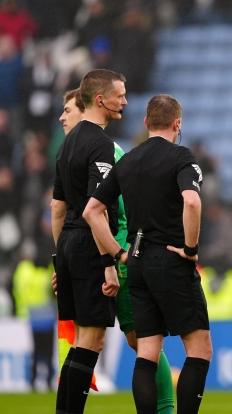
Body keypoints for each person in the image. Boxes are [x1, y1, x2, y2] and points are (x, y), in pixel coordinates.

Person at [83, 94, 211, 414]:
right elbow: (192, 201)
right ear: (177, 123)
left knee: (147, 352)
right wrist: (191, 249)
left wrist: (118, 253)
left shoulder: (127, 161)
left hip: (137, 263)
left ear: (146, 122)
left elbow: (92, 211)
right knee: (199, 349)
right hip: (171, 259)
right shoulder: (181, 157)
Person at [55, 87, 176, 412]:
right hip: (94, 254)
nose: (63, 117)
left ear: (85, 109)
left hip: (118, 252)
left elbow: (120, 210)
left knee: (140, 338)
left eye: (68, 110)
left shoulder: (109, 151)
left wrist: (118, 256)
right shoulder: (74, 153)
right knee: (99, 340)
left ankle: (165, 409)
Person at [51, 69, 127, 413]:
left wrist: (60, 260)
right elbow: (95, 210)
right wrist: (110, 261)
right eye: (119, 95)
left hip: (68, 242)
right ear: (100, 99)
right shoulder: (100, 144)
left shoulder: (68, 143)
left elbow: (57, 207)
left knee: (82, 340)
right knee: (92, 340)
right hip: (88, 244)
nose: (124, 101)